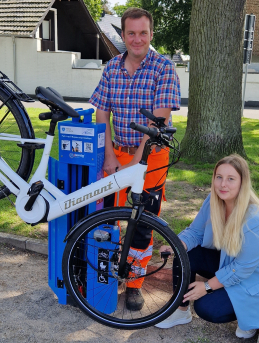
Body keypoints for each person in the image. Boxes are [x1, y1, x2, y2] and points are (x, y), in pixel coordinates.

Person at [89, 7, 180, 311]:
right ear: (124, 35)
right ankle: (109, 272)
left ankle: (134, 284)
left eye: (143, 32)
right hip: (117, 153)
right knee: (109, 217)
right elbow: (102, 111)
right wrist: (110, 155)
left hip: (151, 157)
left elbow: (158, 119)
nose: (137, 39)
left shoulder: (164, 68)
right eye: (131, 33)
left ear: (151, 34)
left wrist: (135, 164)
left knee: (142, 223)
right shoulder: (112, 67)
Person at [155, 154, 259, 339]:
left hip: (256, 281)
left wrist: (207, 286)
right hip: (231, 263)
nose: (223, 184)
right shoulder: (214, 200)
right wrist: (177, 245)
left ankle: (251, 317)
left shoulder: (256, 220)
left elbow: (243, 269)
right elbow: (196, 232)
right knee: (185, 254)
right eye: (219, 177)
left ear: (242, 182)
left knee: (206, 307)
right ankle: (180, 311)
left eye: (231, 179)